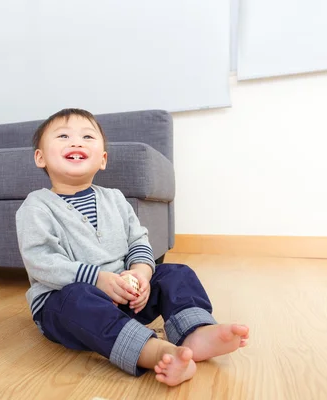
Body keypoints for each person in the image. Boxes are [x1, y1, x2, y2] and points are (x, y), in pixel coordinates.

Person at [15, 108, 249, 386]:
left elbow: (138, 241)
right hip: (66, 304)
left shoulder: (115, 199)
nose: (76, 142)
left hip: (128, 297)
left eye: (87, 137)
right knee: (76, 299)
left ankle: (195, 332)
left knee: (176, 273)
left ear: (102, 159)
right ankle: (152, 352)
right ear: (40, 157)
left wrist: (141, 273)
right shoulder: (36, 206)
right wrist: (98, 280)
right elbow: (42, 261)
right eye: (63, 136)